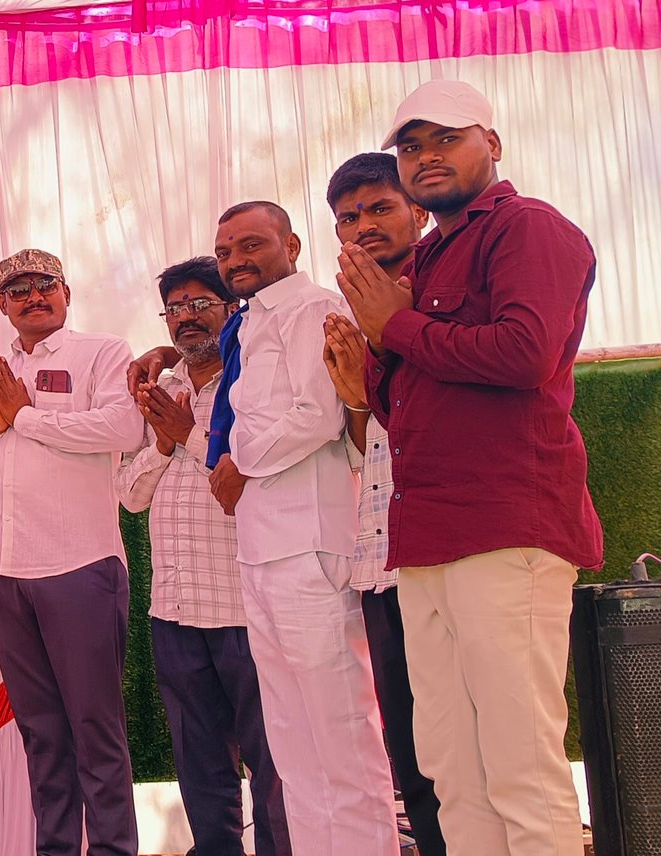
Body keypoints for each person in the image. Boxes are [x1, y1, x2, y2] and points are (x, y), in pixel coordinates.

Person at [338, 79, 601, 856]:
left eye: (446, 138)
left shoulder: (528, 228)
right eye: (411, 146)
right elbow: (407, 409)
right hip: (424, 539)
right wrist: (373, 355)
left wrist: (398, 326)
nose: (426, 156)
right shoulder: (422, 259)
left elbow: (525, 354)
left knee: (521, 769)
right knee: (454, 774)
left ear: (493, 143)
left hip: (505, 528)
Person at [0, 248, 144, 855]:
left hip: (79, 565)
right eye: (19, 289)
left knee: (95, 727)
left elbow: (123, 428)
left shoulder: (101, 352)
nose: (34, 297)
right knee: (41, 732)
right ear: (2, 304)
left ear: (66, 293)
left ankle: (112, 849)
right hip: (2, 571)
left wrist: (25, 419)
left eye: (45, 284)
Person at [206, 202, 397, 855]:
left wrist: (239, 459)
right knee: (292, 744)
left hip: (310, 545)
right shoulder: (249, 324)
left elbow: (318, 416)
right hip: (260, 550)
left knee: (340, 733)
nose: (236, 260)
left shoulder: (314, 309)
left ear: (290, 244)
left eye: (250, 245)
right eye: (225, 251)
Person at [116, 257, 290, 856]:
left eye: (200, 304)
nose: (186, 317)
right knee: (198, 757)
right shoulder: (160, 391)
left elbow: (252, 482)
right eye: (175, 308)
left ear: (231, 308)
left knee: (269, 756)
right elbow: (130, 495)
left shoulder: (251, 385)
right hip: (176, 608)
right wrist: (164, 443)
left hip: (243, 604)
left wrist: (189, 435)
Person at [319, 152, 446, 855]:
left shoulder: (444, 287)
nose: (363, 226)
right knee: (412, 754)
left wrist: (389, 336)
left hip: (449, 551)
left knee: (470, 742)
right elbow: (363, 440)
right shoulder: (339, 311)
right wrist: (355, 397)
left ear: (417, 211)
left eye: (379, 208)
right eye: (348, 217)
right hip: (378, 553)